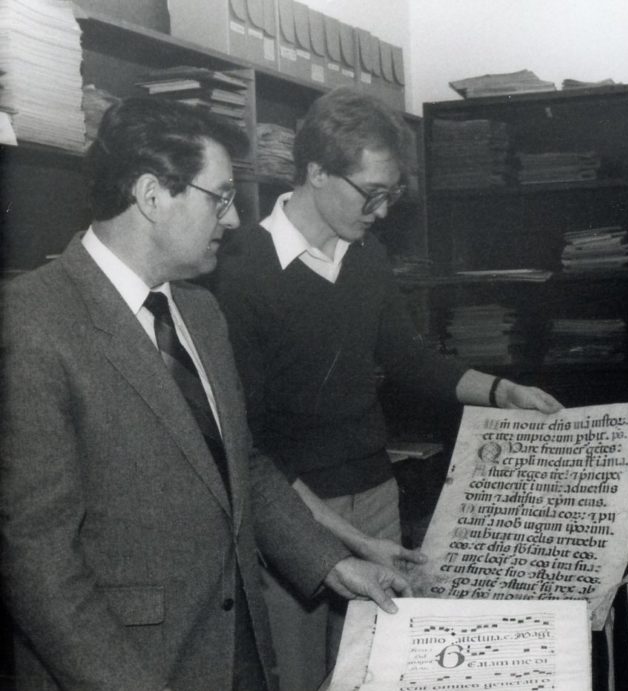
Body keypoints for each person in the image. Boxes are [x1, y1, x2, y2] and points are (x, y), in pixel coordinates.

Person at [0, 97, 413, 691]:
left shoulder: (200, 310)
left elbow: (238, 464)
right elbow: (36, 561)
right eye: (219, 197)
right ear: (152, 196)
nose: (234, 220)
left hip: (234, 652)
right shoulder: (32, 322)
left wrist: (331, 563)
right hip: (122, 668)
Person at [212, 87, 563, 690]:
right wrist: (335, 536)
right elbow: (250, 437)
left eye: (391, 194)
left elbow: (407, 359)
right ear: (317, 172)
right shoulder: (239, 266)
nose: (380, 210)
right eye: (371, 192)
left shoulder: (366, 256)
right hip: (289, 509)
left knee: (379, 670)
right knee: (296, 676)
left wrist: (504, 392)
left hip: (373, 493)